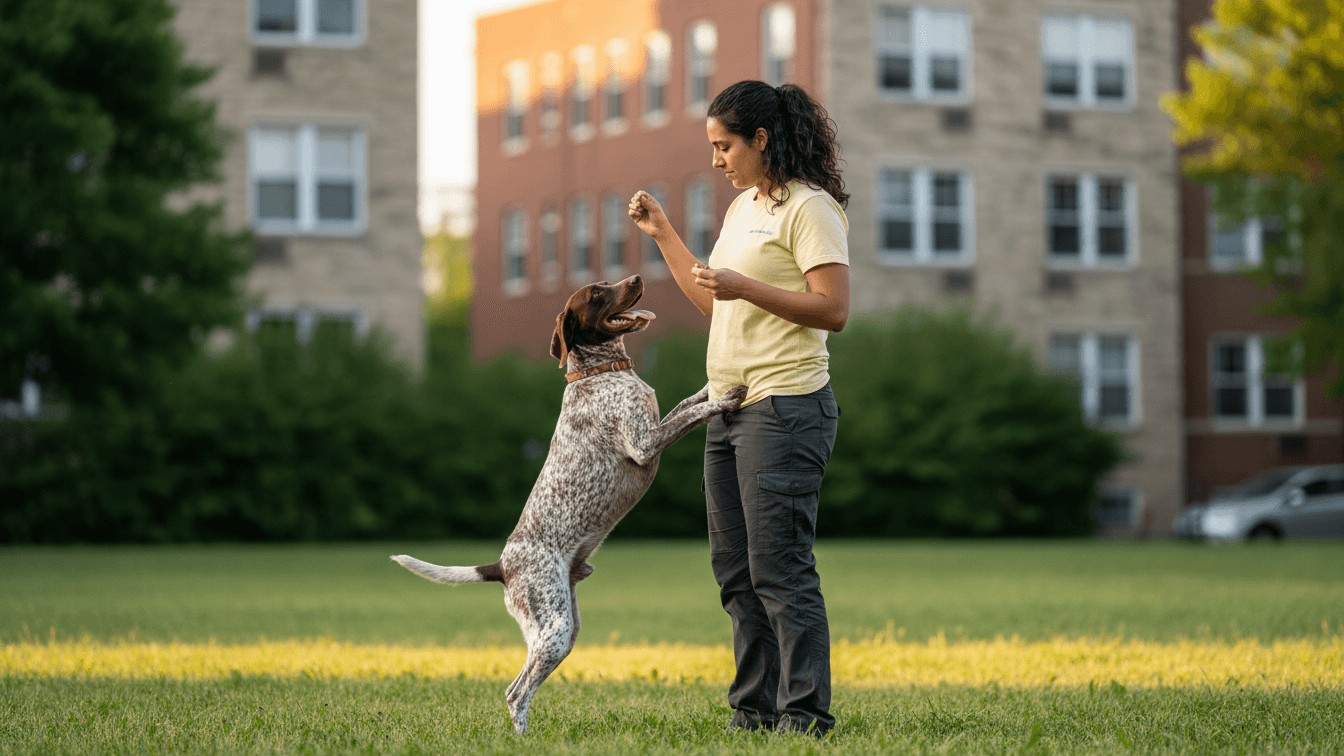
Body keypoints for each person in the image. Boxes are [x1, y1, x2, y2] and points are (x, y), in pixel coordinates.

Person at [627, 80, 849, 735]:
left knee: (779, 569)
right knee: (735, 572)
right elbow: (716, 304)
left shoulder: (809, 208)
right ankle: (753, 712)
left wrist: (745, 286)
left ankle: (804, 717)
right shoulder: (741, 209)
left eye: (724, 146)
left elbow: (834, 309)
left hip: (784, 407)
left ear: (761, 138)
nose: (716, 159)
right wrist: (665, 235)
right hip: (725, 410)